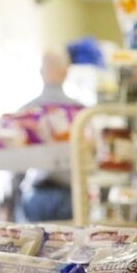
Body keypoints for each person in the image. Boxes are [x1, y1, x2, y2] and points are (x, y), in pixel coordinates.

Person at [18, 51, 82, 221]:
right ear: (66, 73)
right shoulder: (81, 114)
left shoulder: (25, 113)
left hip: (35, 196)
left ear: (41, 72)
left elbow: (17, 166)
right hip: (71, 196)